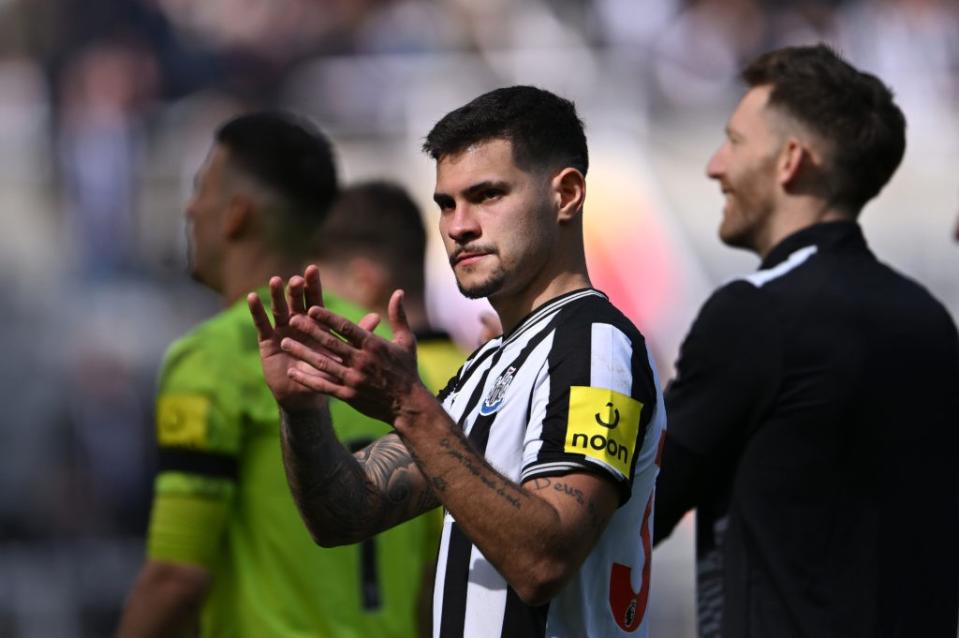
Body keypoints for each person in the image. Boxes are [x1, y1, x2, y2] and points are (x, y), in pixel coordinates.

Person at [248, 86, 667, 637]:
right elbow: (345, 512)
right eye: (446, 203)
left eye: (487, 195)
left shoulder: (595, 345)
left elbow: (544, 562)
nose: (457, 226)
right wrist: (302, 409)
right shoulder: (488, 365)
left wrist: (409, 405)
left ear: (565, 194)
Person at [653, 44, 959, 637]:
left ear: (790, 160)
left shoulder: (755, 314)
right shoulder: (931, 321)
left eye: (735, 142)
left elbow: (642, 504)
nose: (715, 165)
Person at [117, 112, 438, 638]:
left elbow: (176, 577)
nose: (189, 208)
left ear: (236, 215)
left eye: (201, 190)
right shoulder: (383, 351)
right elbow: (431, 573)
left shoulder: (211, 358)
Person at [314, 180, 468, 393]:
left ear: (362, 282)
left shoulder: (362, 391)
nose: (311, 314)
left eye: (321, 297)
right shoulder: (481, 373)